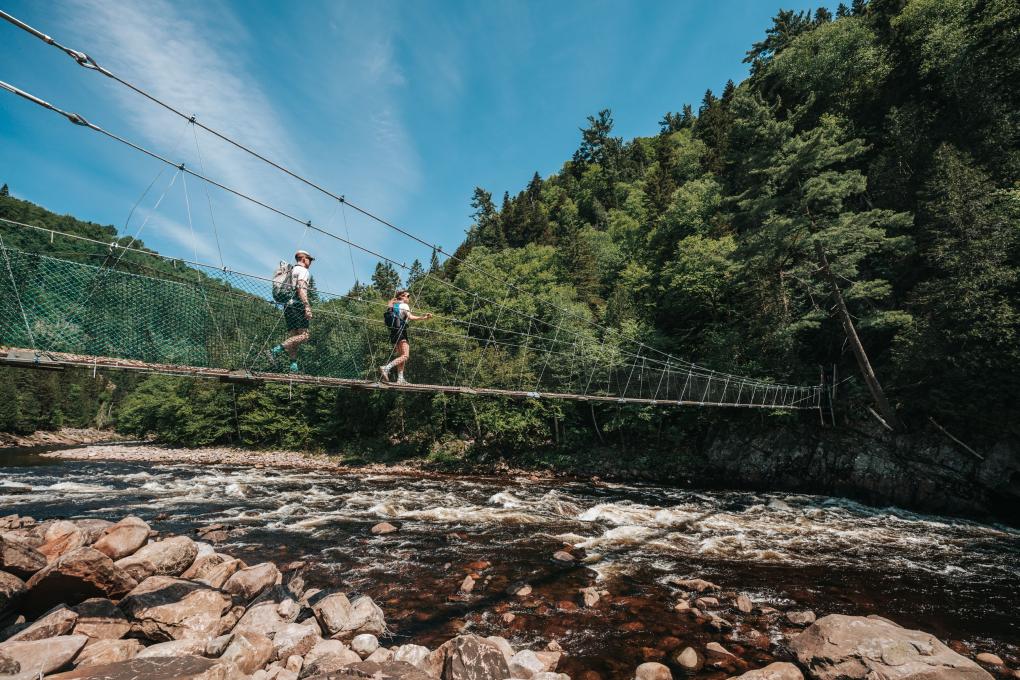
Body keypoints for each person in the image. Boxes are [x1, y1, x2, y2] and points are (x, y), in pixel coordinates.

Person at [270, 250, 314, 372]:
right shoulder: (303, 271)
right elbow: (301, 289)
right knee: (304, 336)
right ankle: (275, 350)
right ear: (304, 259)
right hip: (298, 305)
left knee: (294, 337)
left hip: (287, 306)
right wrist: (307, 306)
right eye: (310, 260)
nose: (310, 262)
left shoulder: (291, 270)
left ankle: (293, 366)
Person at [379, 289, 432, 384]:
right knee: (405, 355)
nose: (409, 298)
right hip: (401, 332)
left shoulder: (393, 305)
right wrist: (423, 317)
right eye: (408, 296)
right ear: (402, 297)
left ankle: (400, 379)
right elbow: (410, 317)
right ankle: (386, 368)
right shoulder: (404, 305)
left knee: (401, 356)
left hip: (394, 332)